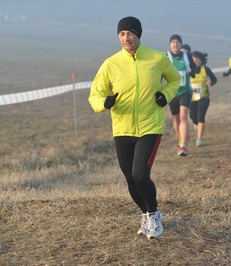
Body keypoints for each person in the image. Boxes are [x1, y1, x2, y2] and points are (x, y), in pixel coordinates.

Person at [88, 16, 180, 239]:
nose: (126, 38)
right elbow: (95, 94)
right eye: (121, 34)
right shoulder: (111, 63)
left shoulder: (157, 58)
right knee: (130, 177)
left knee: (140, 174)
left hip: (151, 125)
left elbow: (175, 79)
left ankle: (153, 215)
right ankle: (148, 215)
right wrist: (104, 103)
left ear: (138, 34)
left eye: (130, 33)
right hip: (122, 127)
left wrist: (165, 95)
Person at [167, 34, 197, 156]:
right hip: (172, 92)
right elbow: (160, 71)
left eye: (178, 42)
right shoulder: (166, 57)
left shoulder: (187, 56)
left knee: (184, 115)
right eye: (173, 42)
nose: (176, 44)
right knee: (176, 119)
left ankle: (183, 145)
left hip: (185, 91)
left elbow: (195, 68)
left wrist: (191, 74)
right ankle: (181, 140)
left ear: (181, 44)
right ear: (170, 44)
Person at [189, 51, 217, 146]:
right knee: (193, 117)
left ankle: (199, 139)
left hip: (203, 98)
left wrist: (211, 82)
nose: (195, 61)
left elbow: (214, 79)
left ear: (201, 61)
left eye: (197, 60)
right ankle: (195, 123)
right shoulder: (188, 70)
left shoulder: (205, 69)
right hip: (191, 98)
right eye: (193, 60)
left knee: (201, 118)